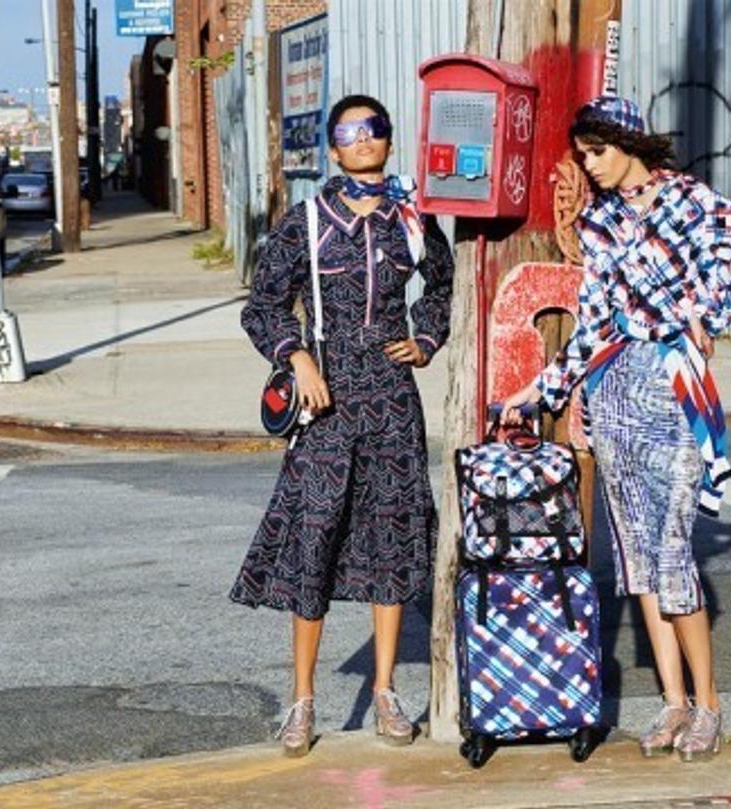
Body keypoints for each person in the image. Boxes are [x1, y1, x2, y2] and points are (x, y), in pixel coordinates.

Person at [501, 96, 731, 762]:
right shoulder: (602, 223)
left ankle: (709, 704)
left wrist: (705, 312)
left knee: (672, 557)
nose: (591, 165)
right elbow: (595, 322)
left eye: (598, 151)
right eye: (582, 155)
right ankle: (671, 702)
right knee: (637, 560)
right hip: (614, 394)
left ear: (628, 141)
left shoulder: (688, 201)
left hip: (673, 390)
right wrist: (541, 388)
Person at [230, 95, 454, 757]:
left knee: (390, 533)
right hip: (326, 397)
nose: (363, 141)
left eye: (374, 130)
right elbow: (263, 304)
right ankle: (302, 700)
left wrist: (427, 336)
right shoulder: (305, 220)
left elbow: (443, 282)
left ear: (388, 140)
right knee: (316, 536)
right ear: (332, 148)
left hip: (391, 393)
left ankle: (385, 689)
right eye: (349, 133)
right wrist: (295, 355)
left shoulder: (410, 217)